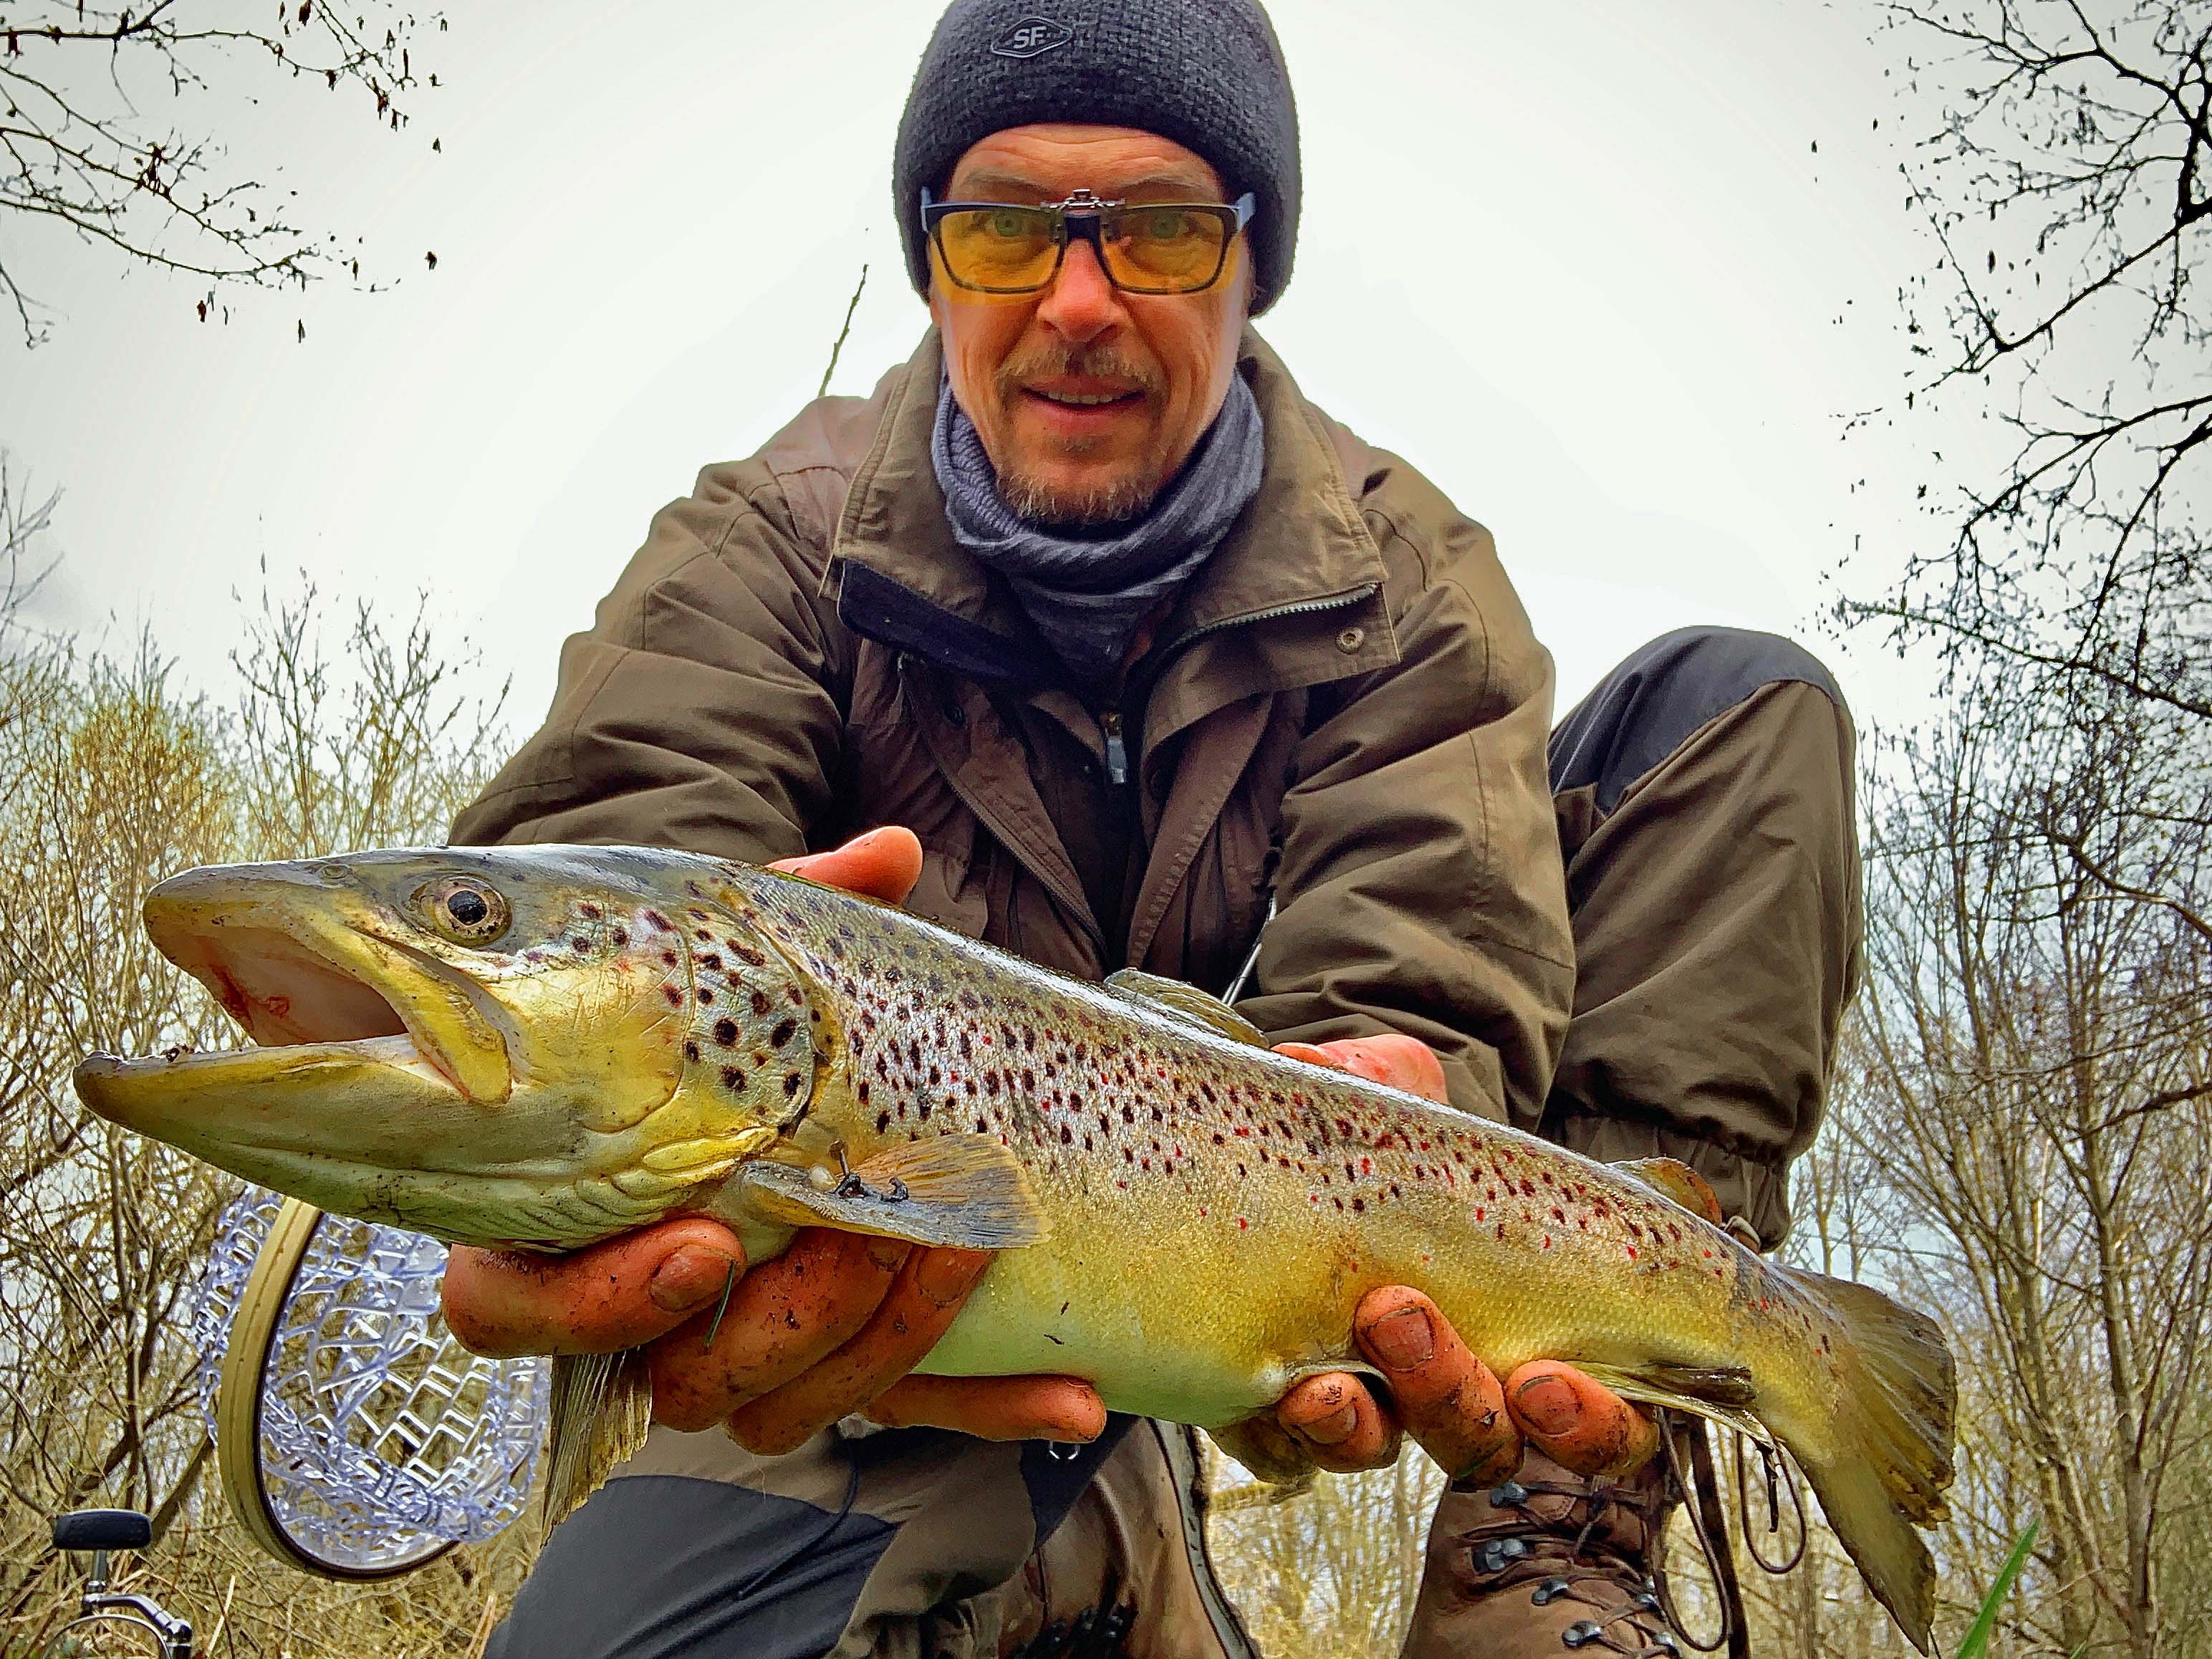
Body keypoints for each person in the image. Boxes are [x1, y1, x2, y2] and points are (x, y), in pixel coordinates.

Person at [441, 3, 1862, 1655]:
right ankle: (1091, 1556)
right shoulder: (764, 544)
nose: (1075, 302)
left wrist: (1351, 1144)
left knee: (1732, 707)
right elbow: (612, 853)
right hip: (858, 1302)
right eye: (1001, 230)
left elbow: (1425, 962)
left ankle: (1551, 1527)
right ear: (931, 266)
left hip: (1248, 1236)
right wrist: (584, 1148)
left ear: (1251, 266)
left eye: (1161, 231)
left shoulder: (1406, 579)